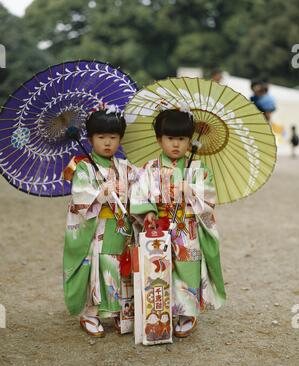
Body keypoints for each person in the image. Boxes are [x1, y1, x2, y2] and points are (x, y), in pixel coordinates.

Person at [130, 109, 226, 338]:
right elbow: (139, 194)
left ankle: (187, 312)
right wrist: (150, 212)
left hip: (187, 228)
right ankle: (162, 312)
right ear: (159, 139)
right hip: (161, 226)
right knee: (160, 268)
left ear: (189, 140)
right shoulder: (150, 168)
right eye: (170, 138)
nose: (176, 145)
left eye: (181, 139)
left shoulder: (197, 169)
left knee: (187, 267)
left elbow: (210, 197)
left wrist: (191, 189)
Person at [63, 106, 137, 337]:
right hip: (97, 229)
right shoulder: (83, 166)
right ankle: (91, 313)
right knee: (98, 267)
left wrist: (131, 193)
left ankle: (118, 312)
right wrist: (101, 193)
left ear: (120, 139)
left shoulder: (125, 167)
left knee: (120, 268)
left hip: (121, 228)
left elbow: (140, 190)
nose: (107, 143)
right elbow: (80, 197)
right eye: (101, 137)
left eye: (113, 137)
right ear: (90, 138)